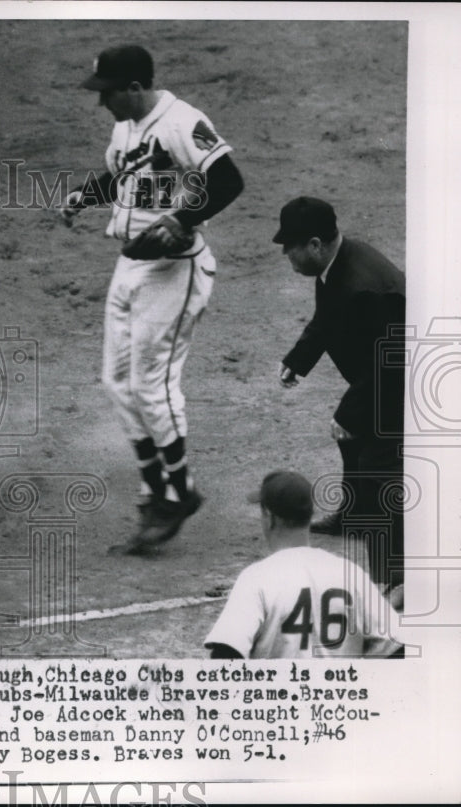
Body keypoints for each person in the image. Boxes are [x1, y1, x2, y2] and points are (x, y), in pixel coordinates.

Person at [60, 45, 244, 552]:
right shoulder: (125, 126)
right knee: (117, 382)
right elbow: (124, 177)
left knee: (152, 384)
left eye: (109, 93)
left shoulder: (182, 122)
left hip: (173, 270)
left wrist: (182, 219)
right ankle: (158, 488)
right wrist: (85, 195)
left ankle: (179, 492)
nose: (103, 103)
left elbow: (228, 180)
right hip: (130, 264)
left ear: (136, 87)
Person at [274, 197, 405, 588]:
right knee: (352, 437)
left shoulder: (362, 287)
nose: (286, 254)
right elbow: (327, 318)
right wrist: (298, 360)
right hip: (384, 372)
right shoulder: (337, 264)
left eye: (290, 246)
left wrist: (349, 412)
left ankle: (395, 577)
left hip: (407, 378)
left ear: (315, 244)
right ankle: (354, 515)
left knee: (378, 467)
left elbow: (391, 364)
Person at [204, 470, 402, 659]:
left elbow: (225, 652)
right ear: (310, 516)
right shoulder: (350, 573)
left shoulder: (256, 578)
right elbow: (397, 644)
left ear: (269, 517)